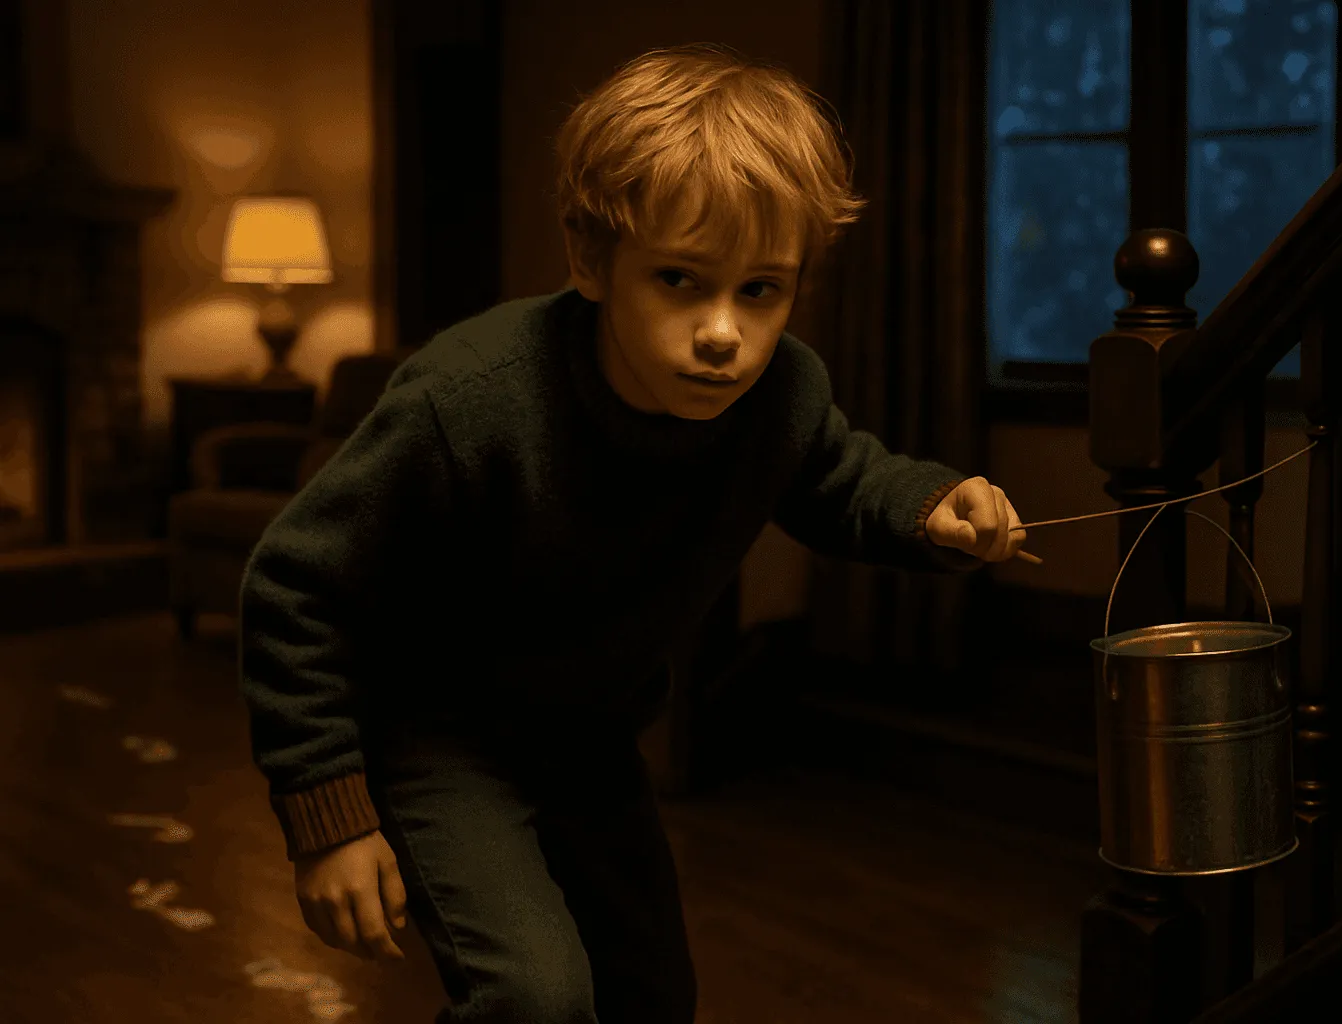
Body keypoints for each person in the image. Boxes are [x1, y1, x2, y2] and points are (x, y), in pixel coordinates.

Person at [237, 41, 1034, 1024]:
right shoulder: (468, 398)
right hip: (441, 739)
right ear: (590, 259)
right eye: (679, 280)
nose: (723, 333)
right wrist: (328, 817)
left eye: (761, 290)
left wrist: (932, 506)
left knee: (652, 997)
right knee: (534, 999)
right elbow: (294, 584)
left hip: (593, 741)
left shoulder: (783, 393)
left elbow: (840, 474)